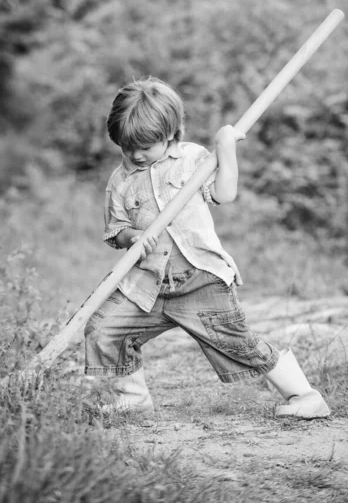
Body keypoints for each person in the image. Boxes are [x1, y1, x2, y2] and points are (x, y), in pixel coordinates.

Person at [84, 76, 330, 420]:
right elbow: (116, 231)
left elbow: (224, 194)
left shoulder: (193, 159)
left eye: (146, 146)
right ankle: (132, 398)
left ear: (169, 133)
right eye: (127, 147)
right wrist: (132, 238)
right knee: (103, 328)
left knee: (237, 341)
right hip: (147, 285)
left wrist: (225, 145)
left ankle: (305, 396)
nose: (136, 155)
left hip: (200, 279)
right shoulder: (120, 181)